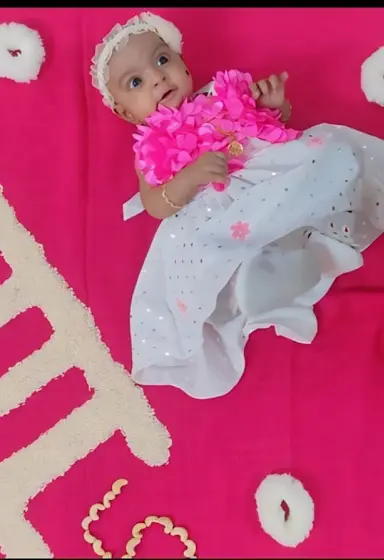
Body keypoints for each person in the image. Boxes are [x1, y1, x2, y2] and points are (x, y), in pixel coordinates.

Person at [90, 11, 384, 399]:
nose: (158, 78)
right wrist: (190, 177)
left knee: (331, 150)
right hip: (216, 209)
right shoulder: (149, 149)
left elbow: (273, 130)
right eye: (136, 82)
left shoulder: (220, 94)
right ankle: (274, 279)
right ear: (125, 112)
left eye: (162, 60)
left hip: (269, 178)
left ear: (182, 62)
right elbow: (156, 205)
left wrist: (275, 107)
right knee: (203, 252)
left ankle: (308, 251)